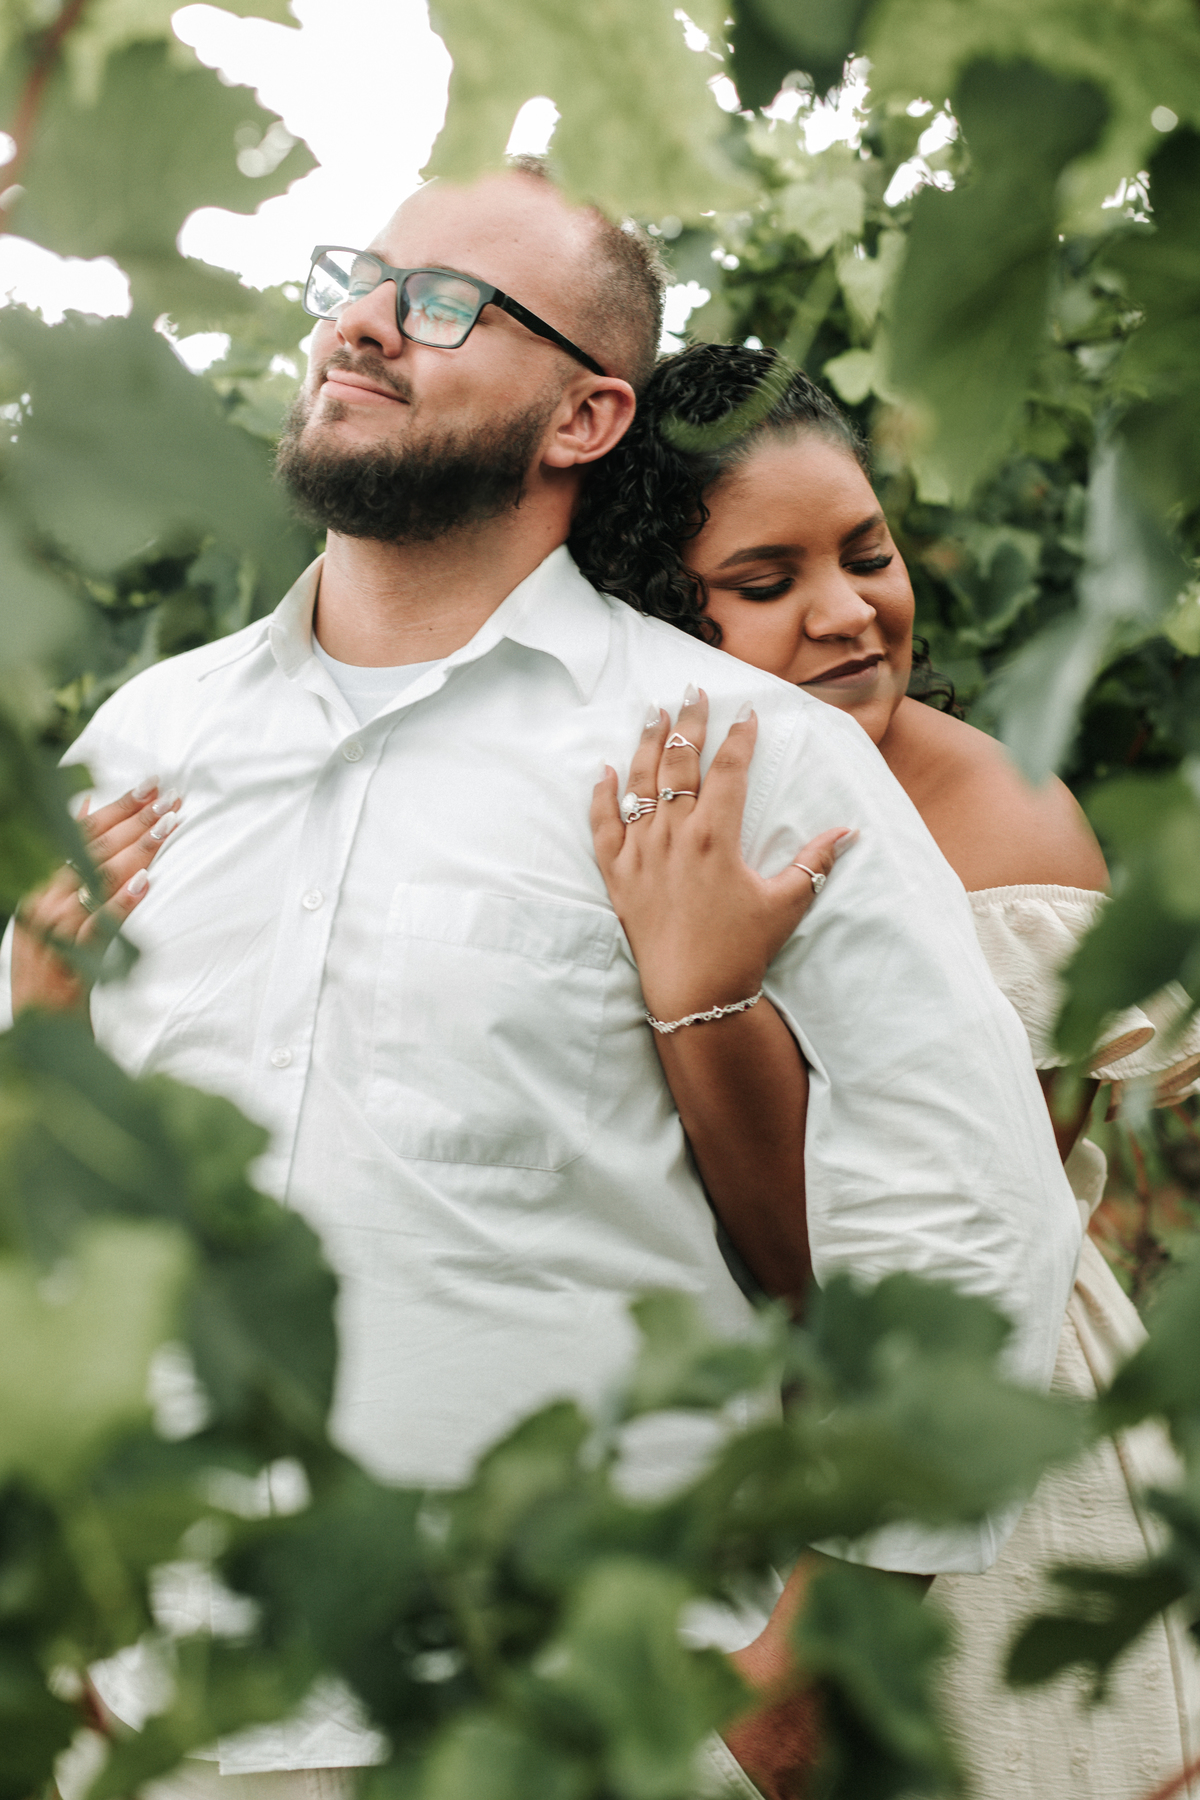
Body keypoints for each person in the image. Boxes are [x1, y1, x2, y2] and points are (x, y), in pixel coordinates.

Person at [4, 169, 1081, 1798]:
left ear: (585, 415)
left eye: (440, 304)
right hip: (154, 1720)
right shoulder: (150, 743)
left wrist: (786, 1692)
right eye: (361, 280)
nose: (362, 323)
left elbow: (967, 1221)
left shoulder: (743, 758)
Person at [570, 340, 1200, 1799]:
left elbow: (843, 1266)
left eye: (869, 553)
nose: (852, 612)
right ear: (656, 613)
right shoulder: (649, 791)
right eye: (769, 580)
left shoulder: (994, 821)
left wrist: (702, 998)